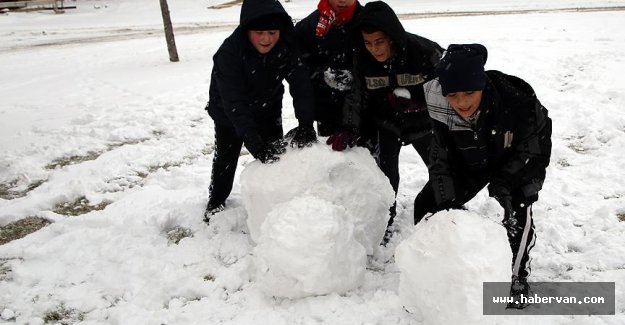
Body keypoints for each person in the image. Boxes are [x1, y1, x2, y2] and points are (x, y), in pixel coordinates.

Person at [415, 44, 552, 308]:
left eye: (470, 92)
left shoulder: (516, 102)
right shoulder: (438, 103)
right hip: (470, 159)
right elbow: (440, 156)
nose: (462, 103)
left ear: (483, 86)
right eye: (453, 95)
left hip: (514, 159)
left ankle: (515, 274)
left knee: (517, 208)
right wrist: (447, 201)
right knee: (428, 203)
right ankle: (434, 269)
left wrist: (506, 181)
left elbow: (532, 149)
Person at [326, 1, 443, 241]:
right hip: (387, 124)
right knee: (386, 176)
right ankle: (384, 221)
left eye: (379, 42)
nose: (374, 49)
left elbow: (449, 89)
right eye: (368, 43)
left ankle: (445, 212)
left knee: (442, 168)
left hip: (422, 122)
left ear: (392, 37)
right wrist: (349, 127)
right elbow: (356, 95)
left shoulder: (423, 52)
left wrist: (422, 105)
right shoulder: (362, 58)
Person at [204, 0, 318, 222]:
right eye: (259, 32)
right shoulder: (229, 53)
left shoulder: (286, 44)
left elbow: (301, 83)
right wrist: (253, 142)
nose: (266, 39)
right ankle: (216, 201)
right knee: (227, 156)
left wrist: (306, 123)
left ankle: (272, 204)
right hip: (228, 111)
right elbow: (234, 101)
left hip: (268, 106)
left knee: (275, 155)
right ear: (247, 30)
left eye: (272, 32)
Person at [295, 0, 363, 136]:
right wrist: (323, 75)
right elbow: (297, 67)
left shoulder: (370, 19)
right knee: (334, 155)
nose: (342, 0)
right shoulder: (308, 27)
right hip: (328, 110)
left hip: (366, 109)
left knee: (368, 156)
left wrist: (357, 77)